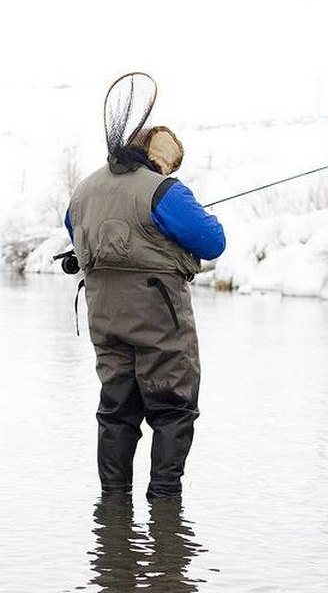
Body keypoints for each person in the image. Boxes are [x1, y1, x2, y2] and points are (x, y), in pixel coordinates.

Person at [65, 125, 226, 499]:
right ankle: (166, 512)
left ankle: (113, 508)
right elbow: (213, 241)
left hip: (104, 318)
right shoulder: (163, 191)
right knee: (172, 409)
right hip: (160, 318)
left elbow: (73, 227)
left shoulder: (83, 190)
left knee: (116, 410)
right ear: (156, 157)